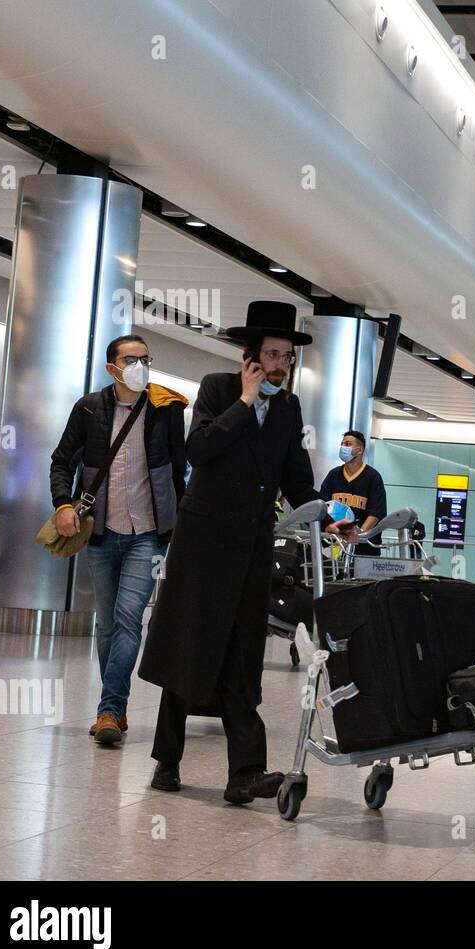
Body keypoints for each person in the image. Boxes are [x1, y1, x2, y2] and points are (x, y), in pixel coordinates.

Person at [139, 301, 350, 803]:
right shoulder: (217, 388)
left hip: (253, 548)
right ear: (250, 357)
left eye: (286, 357)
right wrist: (246, 401)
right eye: (272, 355)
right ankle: (167, 760)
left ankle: (244, 774)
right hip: (203, 547)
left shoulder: (289, 407)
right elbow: (200, 450)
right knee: (189, 647)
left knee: (240, 656)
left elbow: (296, 476)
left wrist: (329, 518)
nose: (280, 365)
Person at [49, 333, 188, 746]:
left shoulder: (167, 408)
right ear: (112, 367)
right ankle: (118, 707)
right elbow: (62, 460)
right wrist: (63, 505)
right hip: (102, 532)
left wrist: (180, 525)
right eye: (131, 359)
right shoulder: (90, 408)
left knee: (129, 619)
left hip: (148, 533)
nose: (140, 366)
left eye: (146, 359)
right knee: (107, 624)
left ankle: (109, 708)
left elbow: (179, 469)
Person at [319, 430, 387, 557]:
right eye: (342, 444)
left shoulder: (373, 477)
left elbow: (376, 512)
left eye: (348, 444)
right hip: (336, 543)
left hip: (364, 547)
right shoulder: (333, 475)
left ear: (359, 450)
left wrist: (359, 534)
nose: (343, 447)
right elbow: (322, 505)